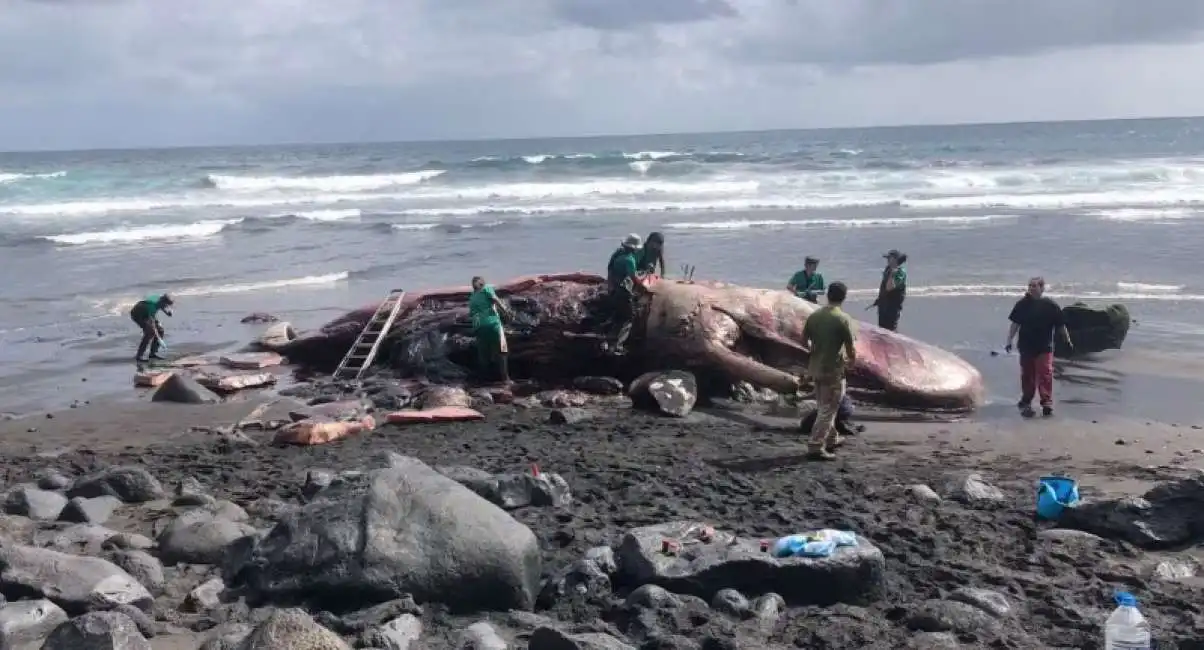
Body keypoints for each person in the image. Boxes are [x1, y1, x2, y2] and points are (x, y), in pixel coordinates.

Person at [800, 281, 857, 461]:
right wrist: (851, 362)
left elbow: (804, 340)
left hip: (815, 368)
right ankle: (816, 445)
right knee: (829, 408)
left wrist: (814, 351)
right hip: (832, 369)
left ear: (827, 295)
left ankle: (832, 438)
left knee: (825, 406)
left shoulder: (815, 316)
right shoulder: (843, 318)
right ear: (844, 297)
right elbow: (850, 347)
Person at [1005, 276, 1073, 417]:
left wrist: (1067, 341)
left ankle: (1046, 403)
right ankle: (1027, 400)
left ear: (1042, 288)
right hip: (1026, 346)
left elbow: (1060, 325)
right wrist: (1009, 341)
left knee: (1045, 374)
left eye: (1034, 286)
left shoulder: (1050, 305)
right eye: (1030, 285)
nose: (1031, 288)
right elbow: (1015, 325)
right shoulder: (1022, 305)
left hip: (1044, 346)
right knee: (1027, 376)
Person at [469, 276, 514, 384]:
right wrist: (506, 312)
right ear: (482, 284)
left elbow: (472, 314)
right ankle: (505, 379)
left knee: (484, 353)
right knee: (502, 350)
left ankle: (484, 379)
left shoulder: (472, 297)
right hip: (492, 323)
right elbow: (495, 299)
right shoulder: (486, 289)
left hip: (478, 327)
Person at [606, 234, 642, 355]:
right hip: (623, 292)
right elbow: (633, 277)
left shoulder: (617, 255)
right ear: (634, 248)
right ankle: (618, 345)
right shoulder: (629, 260)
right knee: (628, 318)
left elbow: (610, 270)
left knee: (617, 317)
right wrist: (644, 286)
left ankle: (608, 342)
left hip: (613, 289)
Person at [130, 293, 174, 362]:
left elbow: (161, 306)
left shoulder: (158, 299)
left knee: (160, 330)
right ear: (162, 301)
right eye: (166, 305)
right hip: (137, 314)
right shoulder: (152, 307)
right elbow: (151, 323)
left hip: (146, 311)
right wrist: (159, 339)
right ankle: (139, 356)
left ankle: (153, 354)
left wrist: (167, 313)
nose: (166, 306)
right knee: (150, 333)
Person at [871, 249, 907, 331]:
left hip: (893, 307)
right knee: (882, 328)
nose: (887, 260)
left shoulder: (900, 272)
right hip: (884, 305)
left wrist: (892, 273)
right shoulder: (888, 269)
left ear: (895, 259)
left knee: (890, 329)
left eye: (889, 258)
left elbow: (889, 287)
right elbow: (884, 287)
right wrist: (879, 299)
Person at [799, 394, 865, 438]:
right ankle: (842, 426)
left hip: (838, 409)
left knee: (807, 424)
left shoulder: (825, 381)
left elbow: (816, 394)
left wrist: (799, 398)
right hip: (842, 409)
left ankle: (839, 427)